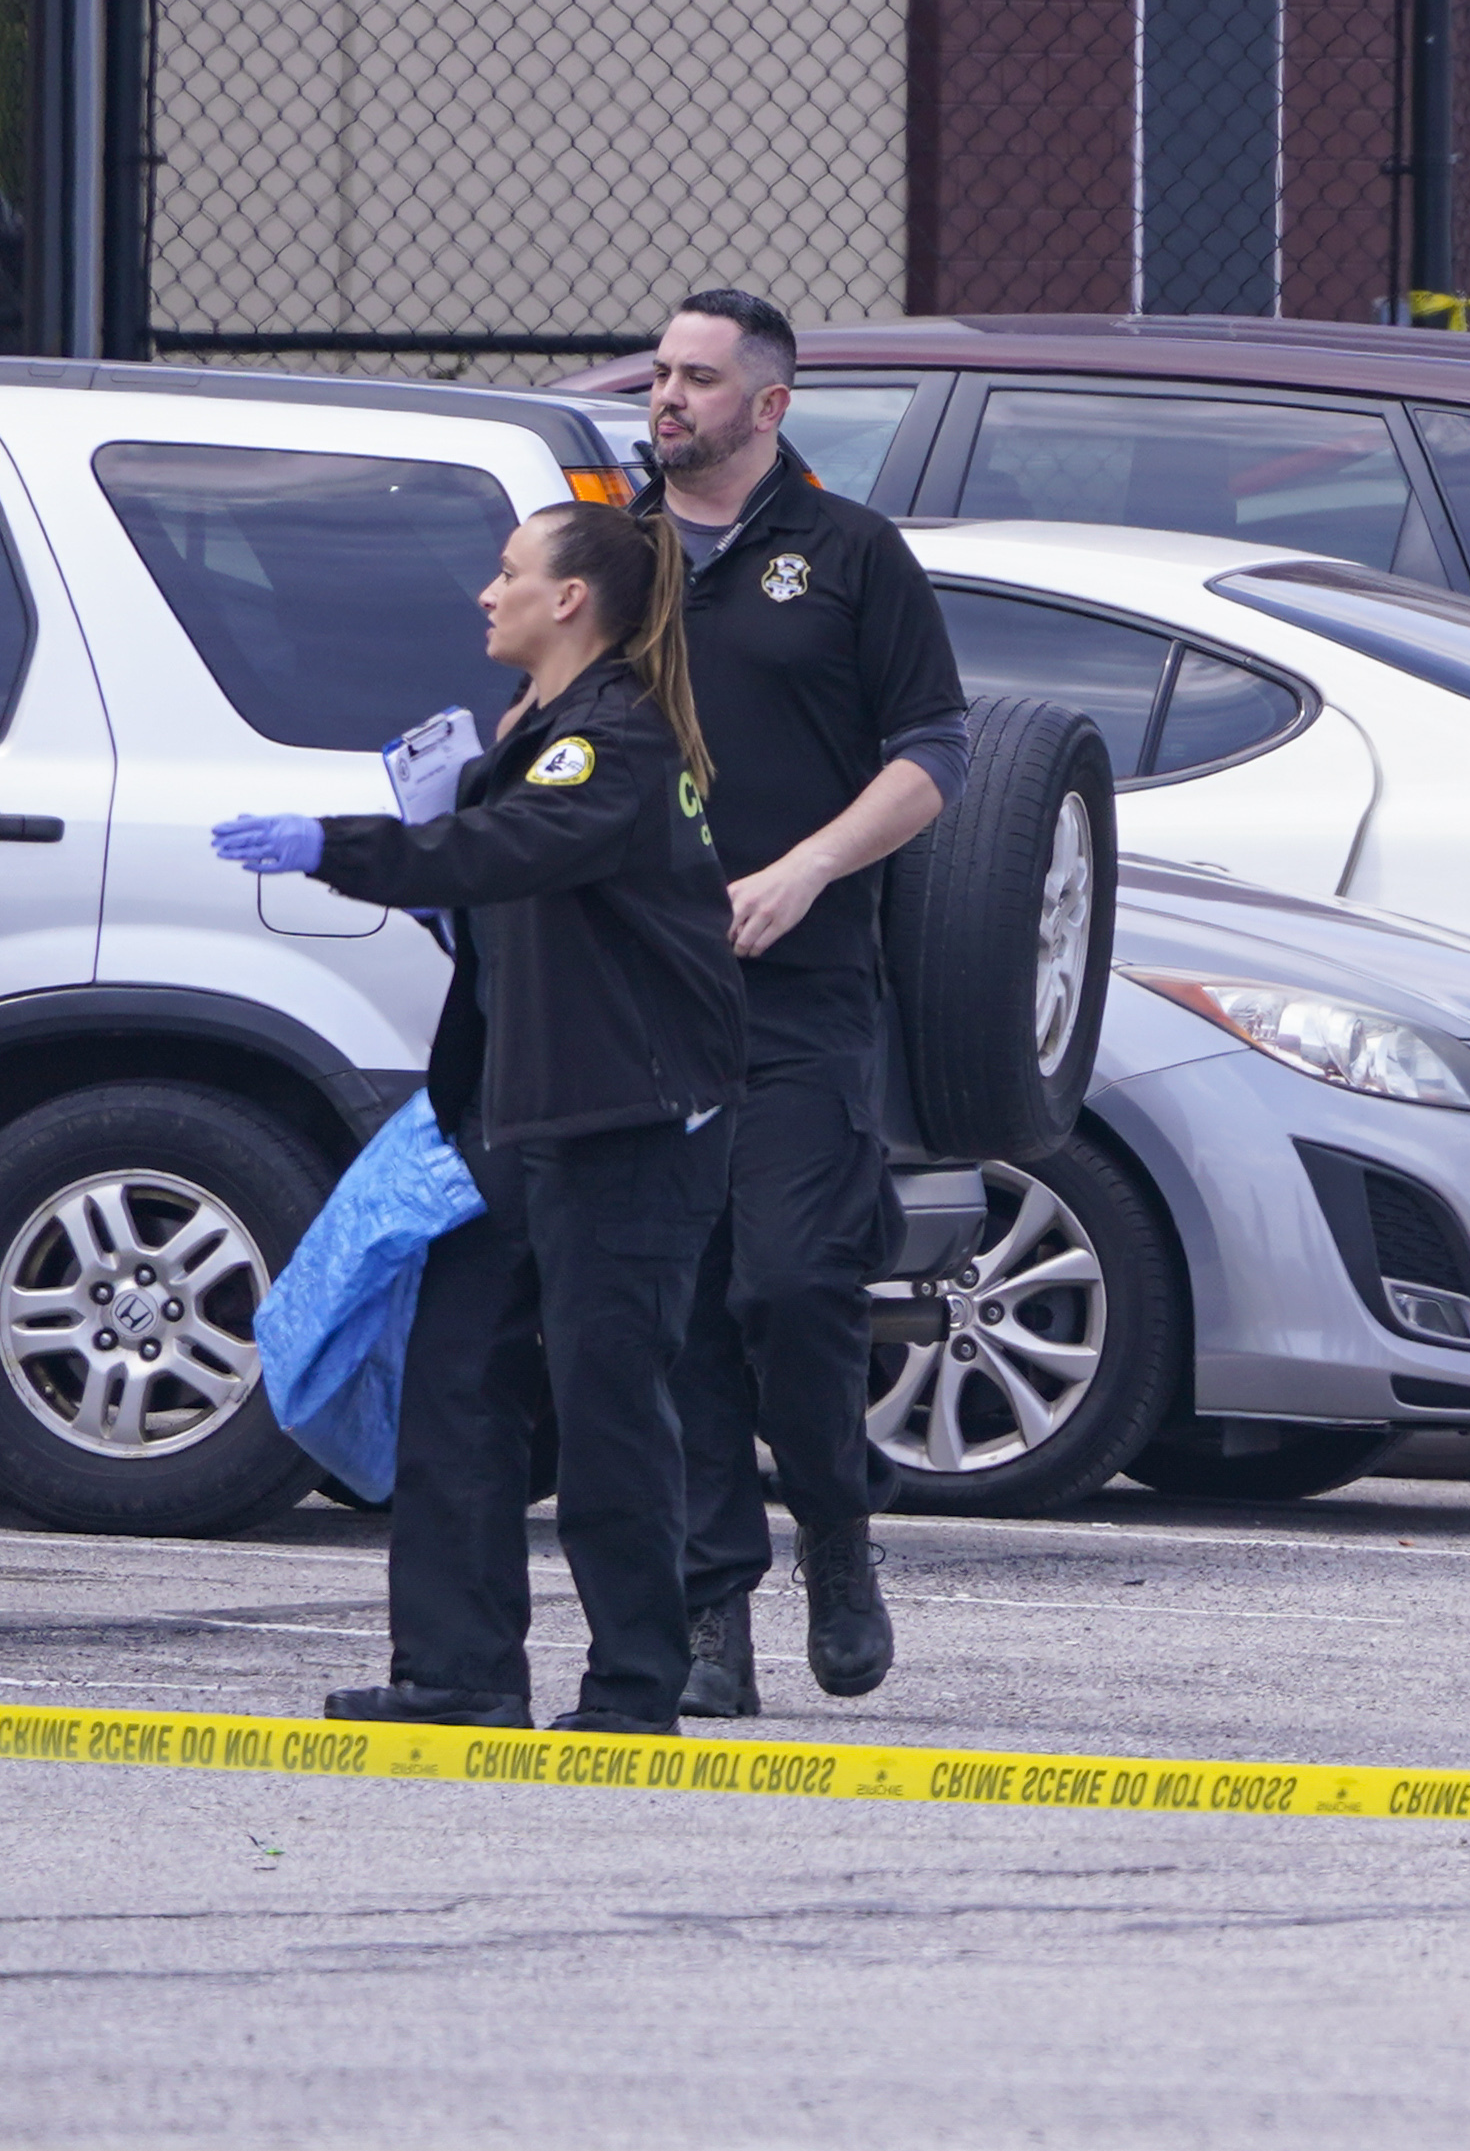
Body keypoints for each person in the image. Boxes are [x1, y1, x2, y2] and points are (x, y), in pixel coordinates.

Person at [220, 504, 745, 1730]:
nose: (485, 593)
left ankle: (633, 1690)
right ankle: (455, 1673)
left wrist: (342, 846)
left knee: (613, 1404)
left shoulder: (609, 737)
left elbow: (515, 847)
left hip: (631, 1122)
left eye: (508, 572)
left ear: (570, 601)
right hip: (522, 1112)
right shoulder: (541, 734)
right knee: (457, 1376)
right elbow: (518, 903)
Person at [643, 291, 971, 1719]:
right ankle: (717, 1611)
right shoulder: (617, 551)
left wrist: (806, 867)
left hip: (803, 993)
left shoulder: (848, 555)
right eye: (659, 371)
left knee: (788, 1282)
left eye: (698, 378)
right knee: (683, 1308)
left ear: (767, 406)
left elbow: (937, 751)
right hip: (645, 995)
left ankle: (836, 1525)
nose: (667, 397)